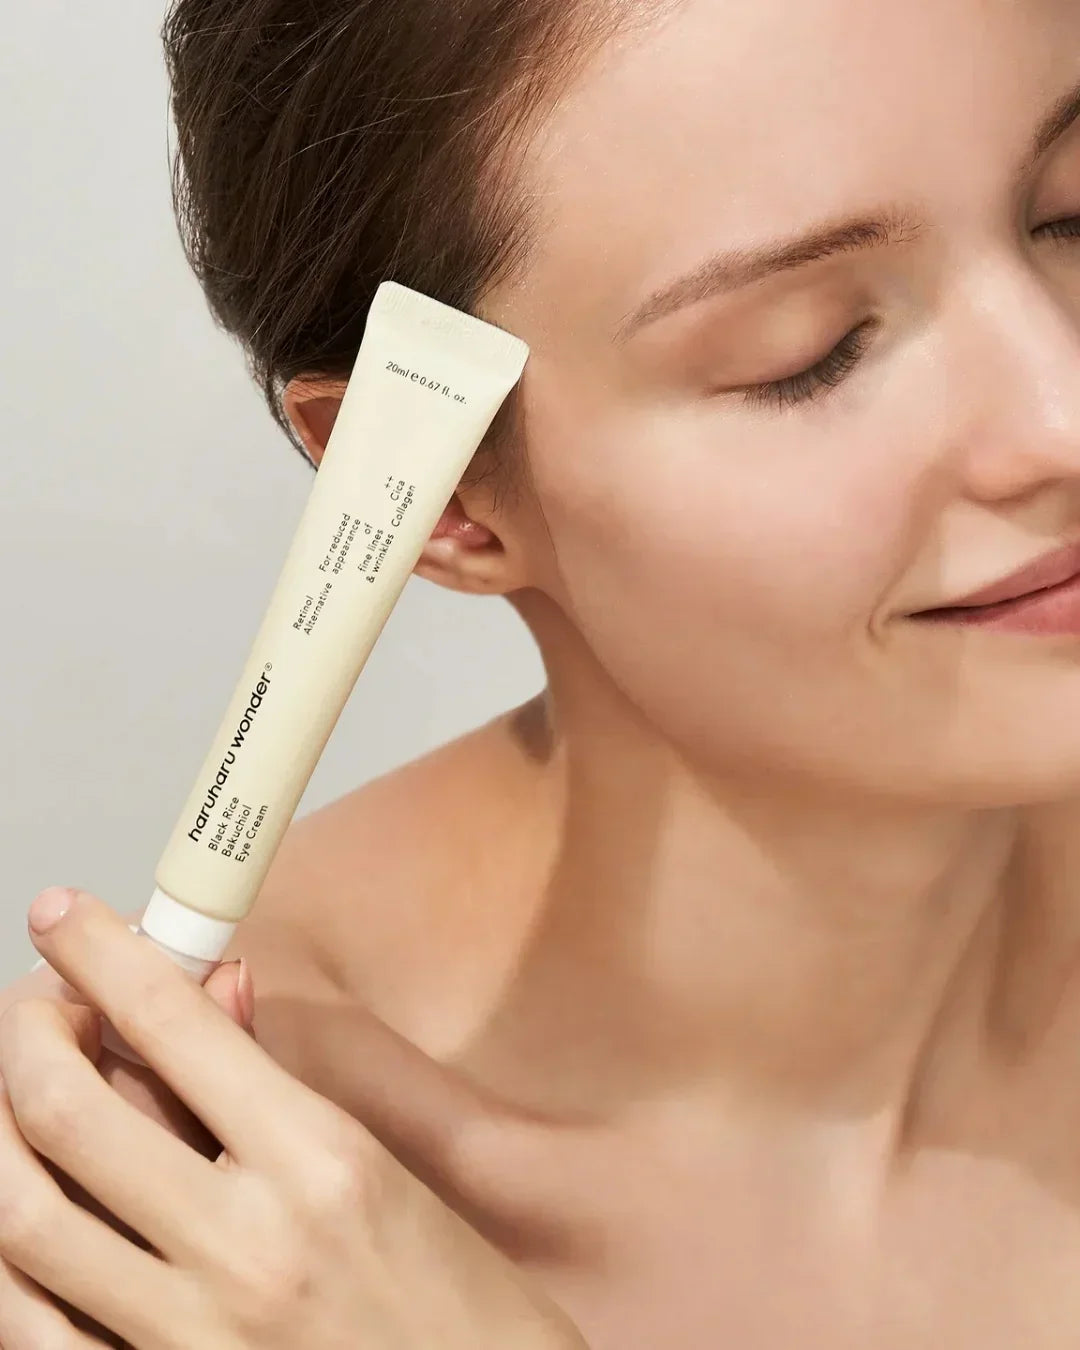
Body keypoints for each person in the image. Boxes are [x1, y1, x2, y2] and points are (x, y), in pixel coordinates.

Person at [7, 0, 1080, 1343]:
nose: (1061, 408)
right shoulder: (194, 1232)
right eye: (810, 355)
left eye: (1071, 217)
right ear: (446, 495)